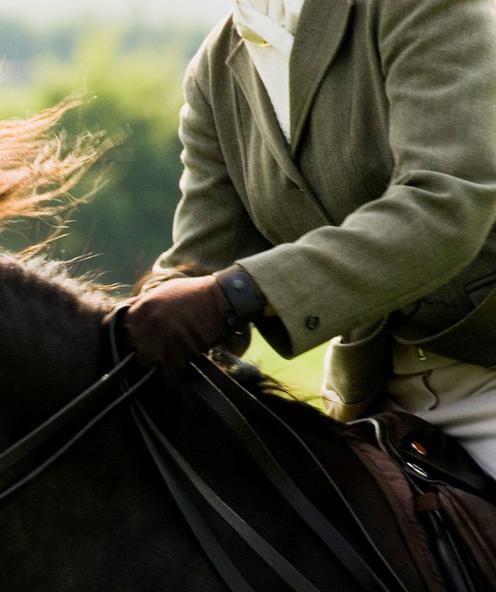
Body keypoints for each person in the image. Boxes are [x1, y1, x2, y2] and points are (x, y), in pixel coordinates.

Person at [127, 0, 496, 478]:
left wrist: (239, 293)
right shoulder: (214, 70)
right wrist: (126, 332)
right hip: (373, 397)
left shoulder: (421, 7)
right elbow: (198, 265)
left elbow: (446, 203)